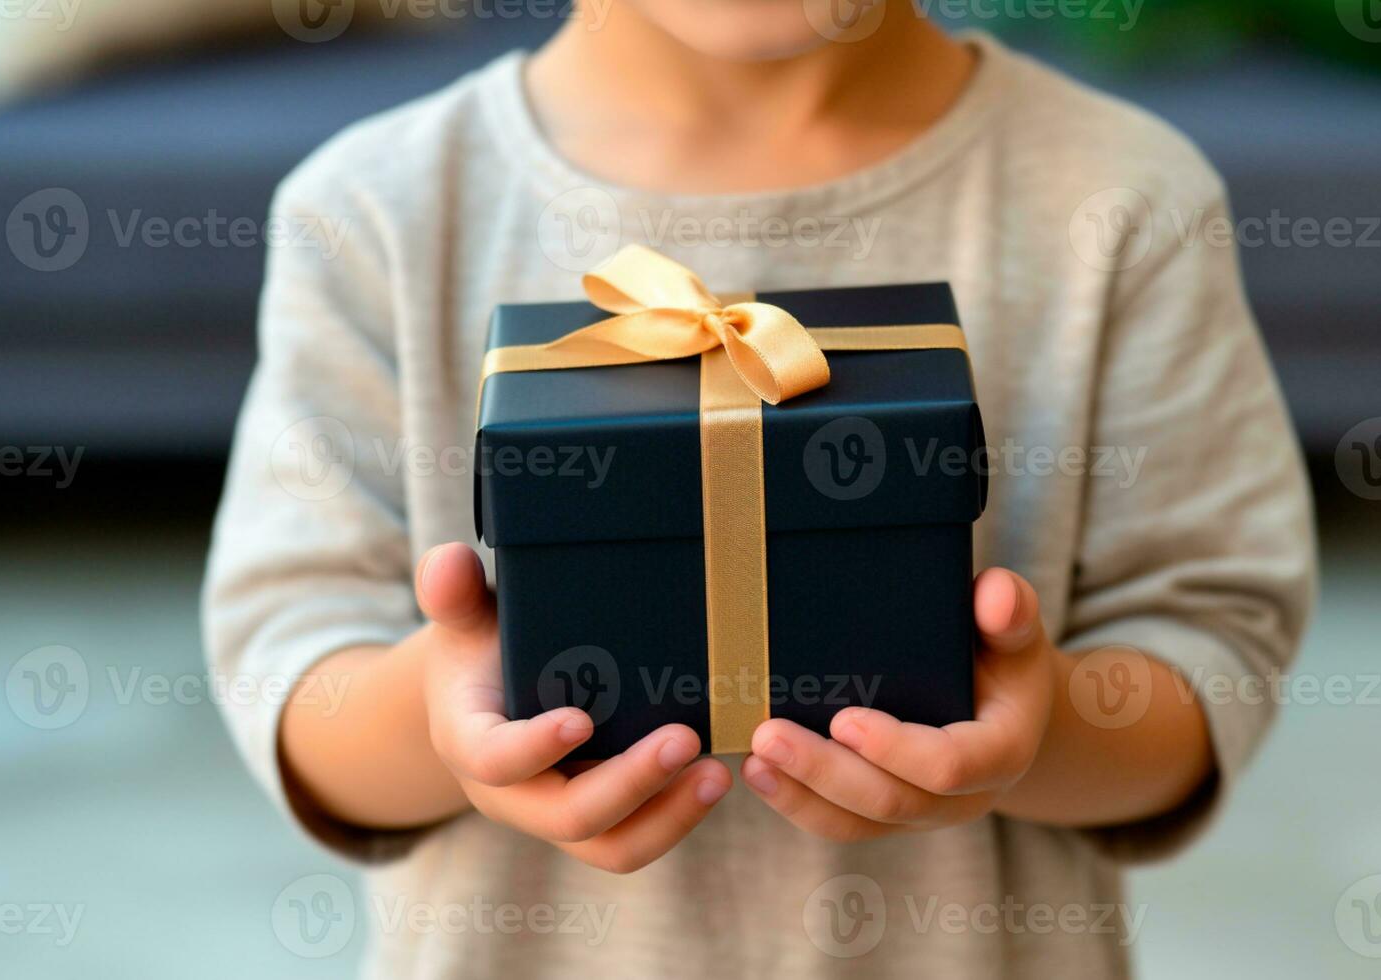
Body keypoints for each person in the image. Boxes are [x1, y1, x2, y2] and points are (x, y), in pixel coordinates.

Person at [203, 2, 1316, 976]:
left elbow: (1212, 641)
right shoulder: (375, 212)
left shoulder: (1125, 199)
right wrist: (438, 718)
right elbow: (291, 664)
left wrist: (1044, 730)